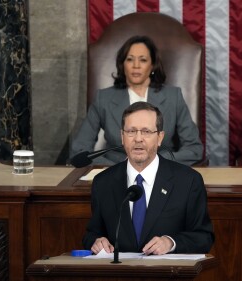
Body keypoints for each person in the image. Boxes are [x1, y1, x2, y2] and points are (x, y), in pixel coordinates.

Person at [83, 101, 214, 255]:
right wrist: (96, 241)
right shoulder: (103, 182)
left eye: (146, 131)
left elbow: (204, 237)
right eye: (131, 131)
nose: (138, 139)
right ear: (122, 136)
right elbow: (91, 234)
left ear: (160, 137)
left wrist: (170, 243)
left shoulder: (188, 181)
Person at [71, 35, 203, 166]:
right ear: (122, 64)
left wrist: (158, 162)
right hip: (117, 173)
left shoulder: (173, 97)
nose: (136, 65)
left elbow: (194, 149)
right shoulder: (103, 98)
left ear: (152, 65)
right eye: (130, 59)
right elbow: (79, 150)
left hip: (162, 172)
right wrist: (114, 167)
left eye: (143, 60)